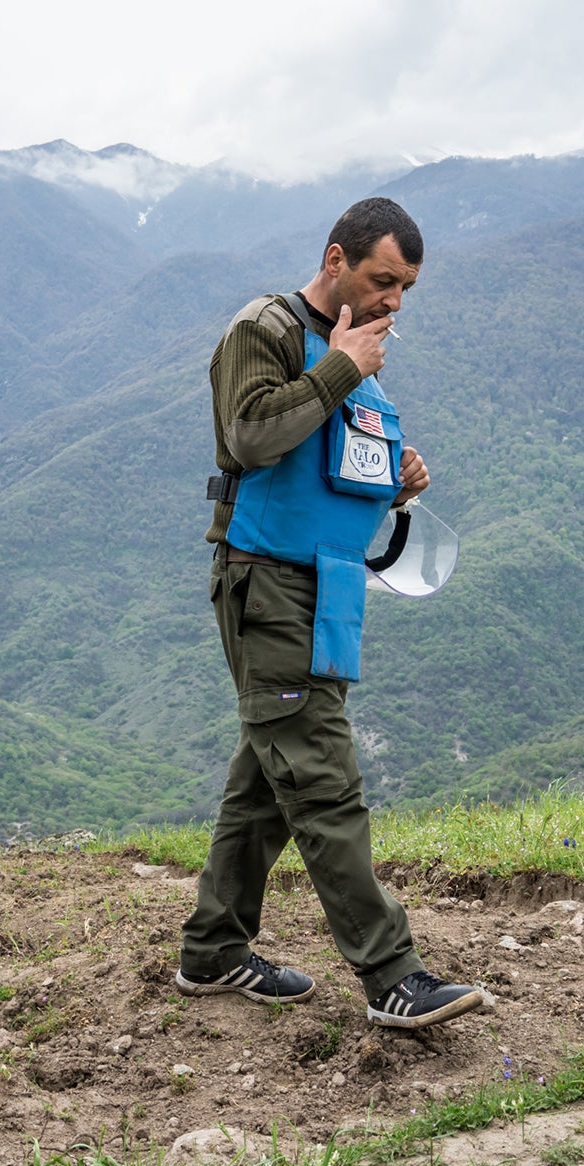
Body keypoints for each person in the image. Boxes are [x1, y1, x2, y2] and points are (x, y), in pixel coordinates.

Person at [176, 198, 482, 1030]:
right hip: (267, 582)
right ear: (336, 257)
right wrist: (342, 368)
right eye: (384, 279)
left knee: (267, 788)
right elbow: (249, 438)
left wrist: (398, 476)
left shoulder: (356, 358)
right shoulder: (266, 329)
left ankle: (212, 953)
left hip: (331, 589)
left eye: (407, 287)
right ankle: (392, 976)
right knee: (322, 782)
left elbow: (327, 462)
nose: (394, 300)